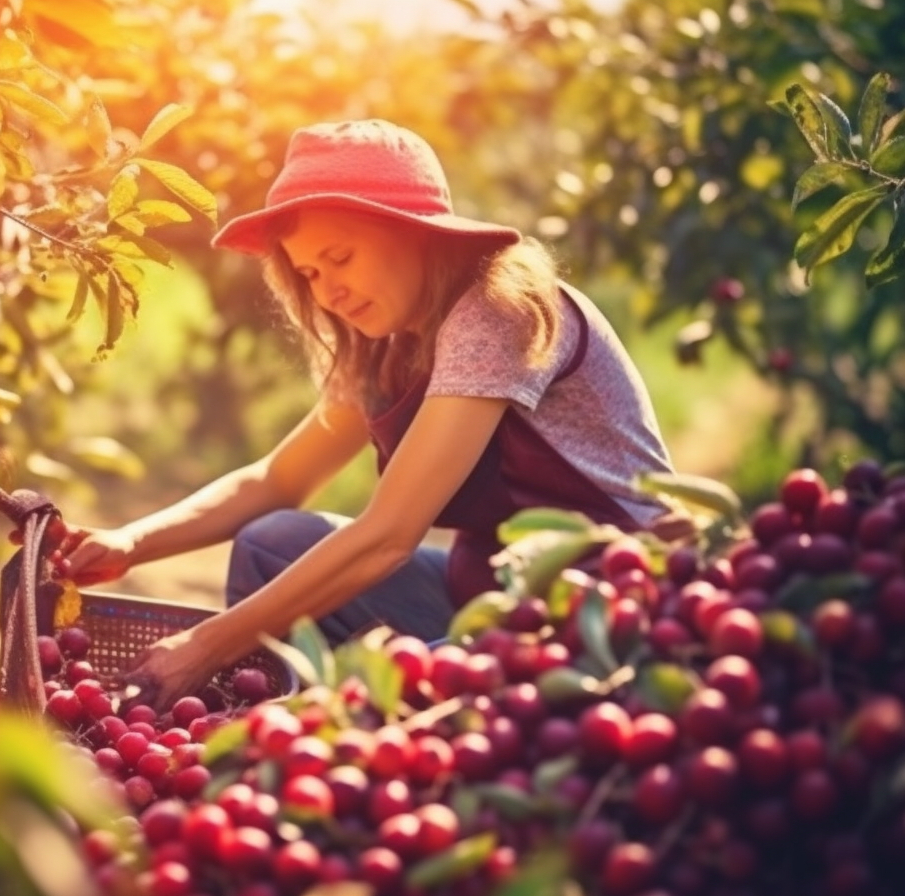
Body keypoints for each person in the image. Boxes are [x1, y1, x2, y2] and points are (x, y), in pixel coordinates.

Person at [54, 119, 674, 709]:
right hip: (488, 594)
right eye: (309, 272)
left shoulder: (497, 310)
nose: (327, 291)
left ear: (413, 230)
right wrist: (130, 543)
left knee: (384, 704)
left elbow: (389, 535)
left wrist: (209, 644)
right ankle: (260, 722)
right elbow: (278, 481)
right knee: (274, 544)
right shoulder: (387, 341)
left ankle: (310, 750)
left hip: (601, 610)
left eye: (341, 258)